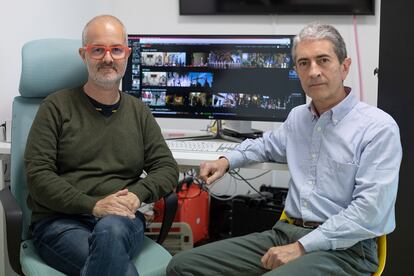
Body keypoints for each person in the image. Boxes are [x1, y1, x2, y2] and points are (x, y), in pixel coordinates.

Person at [167, 22, 402, 276]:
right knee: (182, 266)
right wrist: (225, 161)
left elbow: (369, 213)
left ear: (344, 66)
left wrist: (302, 246)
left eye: (323, 60)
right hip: (286, 234)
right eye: (304, 63)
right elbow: (264, 146)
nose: (313, 71)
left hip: (347, 249)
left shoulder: (377, 128)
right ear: (296, 72)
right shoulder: (298, 118)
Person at [25, 15, 179, 276]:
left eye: (116, 49)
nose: (108, 58)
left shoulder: (139, 112)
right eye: (98, 50)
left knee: (111, 230)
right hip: (61, 222)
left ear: (127, 54)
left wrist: (136, 195)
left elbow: (166, 168)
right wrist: (93, 205)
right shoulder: (55, 107)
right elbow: (38, 176)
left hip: (122, 220)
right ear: (83, 54)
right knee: (116, 266)